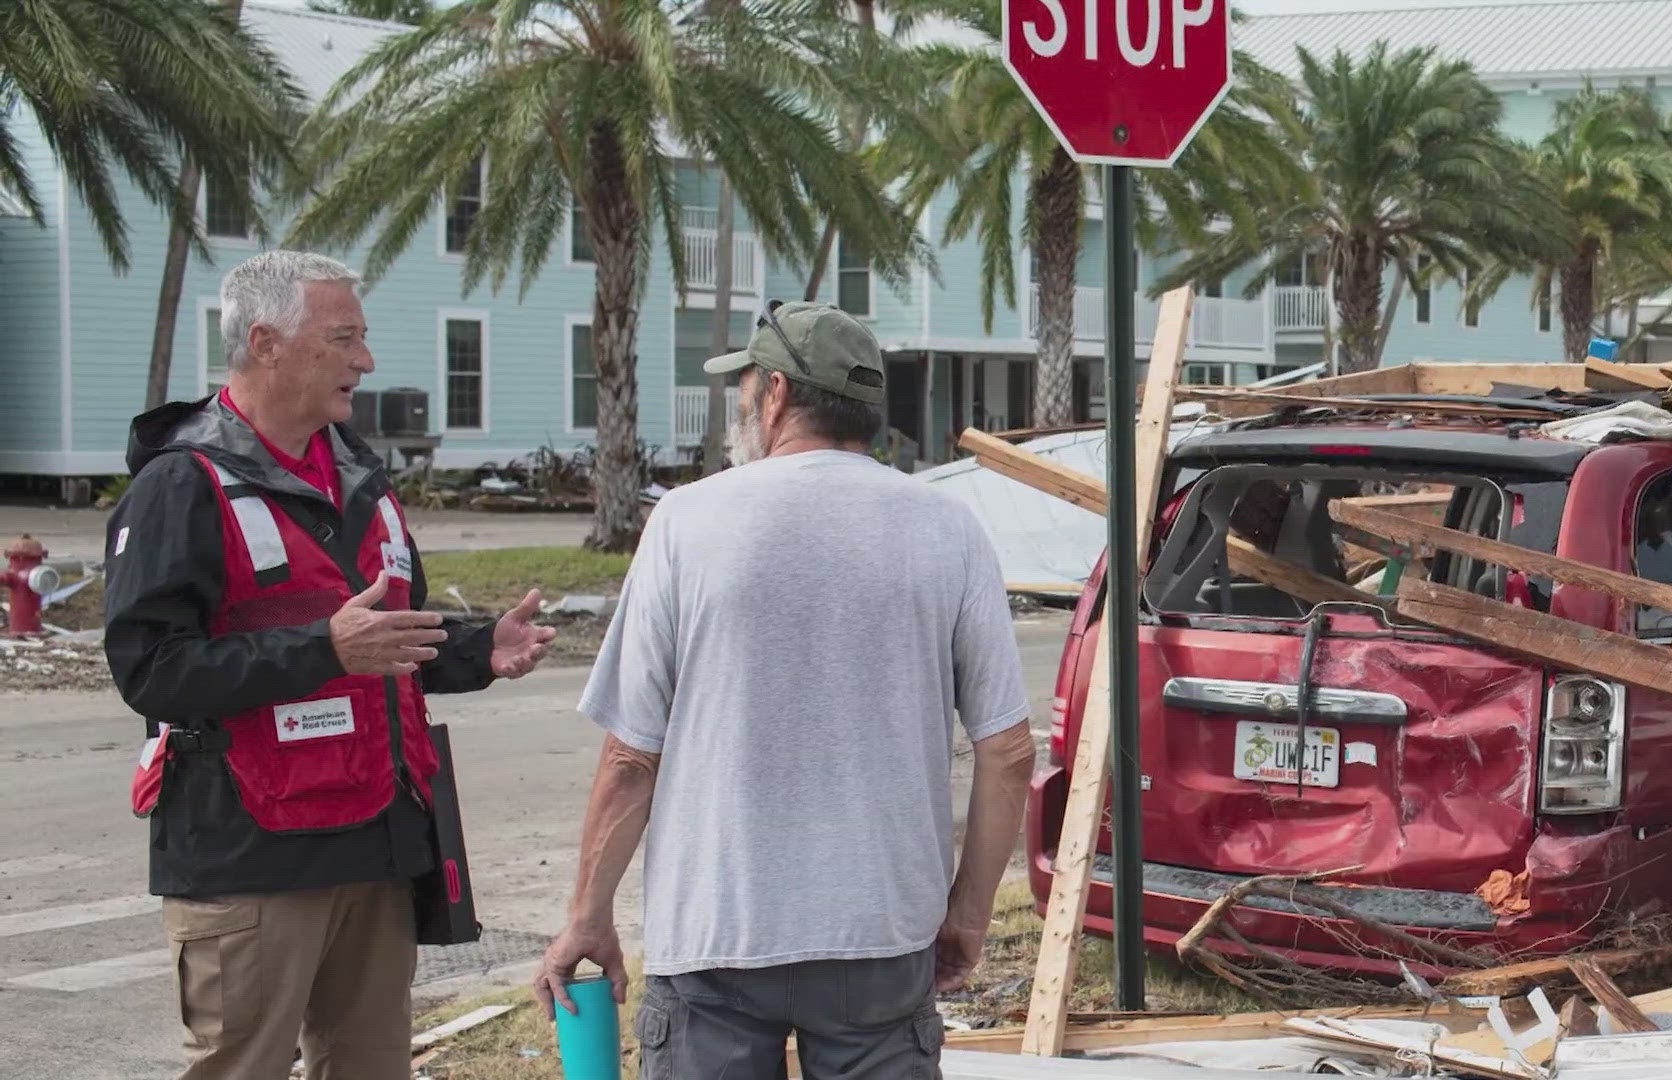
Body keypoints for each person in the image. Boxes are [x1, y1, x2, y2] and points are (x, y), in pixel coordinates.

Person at [537, 301, 1037, 1078]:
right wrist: (966, 916)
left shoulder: (685, 522)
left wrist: (587, 917)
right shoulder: (949, 529)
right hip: (880, 936)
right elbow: (1006, 752)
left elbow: (632, 758)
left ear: (774, 394)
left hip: (715, 939)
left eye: (742, 390)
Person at [104, 250, 557, 1080]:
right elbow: (152, 671)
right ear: (267, 343)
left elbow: (386, 634)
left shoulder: (359, 474)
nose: (367, 361)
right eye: (344, 337)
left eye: (364, 336)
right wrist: (323, 651)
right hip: (250, 858)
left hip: (376, 846)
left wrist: (476, 649)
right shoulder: (181, 485)